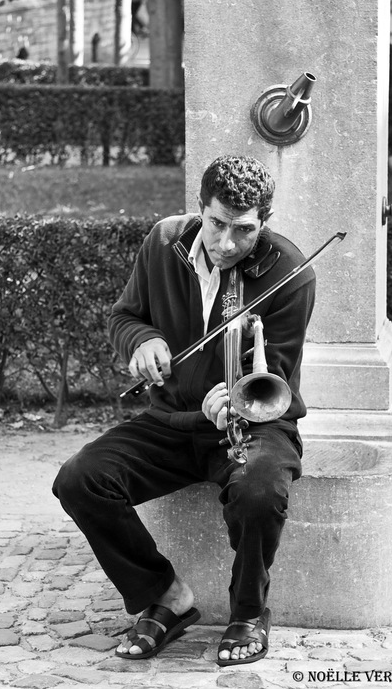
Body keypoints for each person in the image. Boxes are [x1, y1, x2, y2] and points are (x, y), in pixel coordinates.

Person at [52, 155, 316, 666]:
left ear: (264, 221)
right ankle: (167, 596)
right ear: (200, 209)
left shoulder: (289, 271)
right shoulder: (162, 242)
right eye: (217, 224)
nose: (225, 243)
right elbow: (124, 315)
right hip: (170, 420)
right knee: (79, 479)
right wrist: (141, 339)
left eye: (243, 230)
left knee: (261, 491)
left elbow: (274, 377)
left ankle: (247, 612)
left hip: (253, 426)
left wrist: (238, 401)